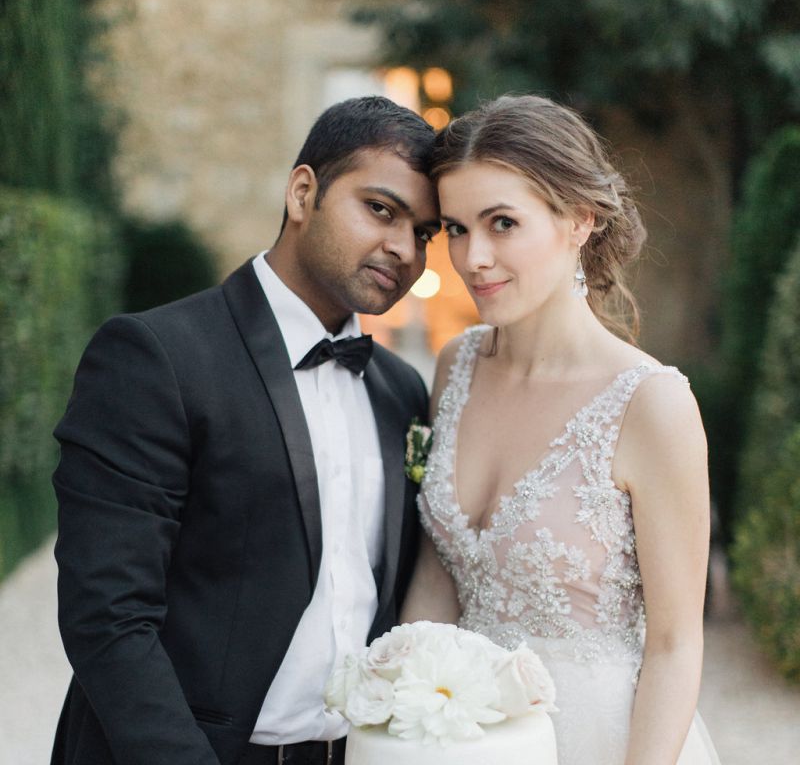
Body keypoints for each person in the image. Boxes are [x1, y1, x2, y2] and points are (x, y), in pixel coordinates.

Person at [51, 96, 440, 765]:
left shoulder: (400, 393)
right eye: (380, 209)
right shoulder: (155, 356)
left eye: (426, 233)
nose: (404, 249)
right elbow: (108, 616)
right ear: (301, 193)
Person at [402, 95, 721, 764]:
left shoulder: (651, 405)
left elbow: (674, 644)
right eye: (456, 228)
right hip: (465, 741)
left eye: (502, 223)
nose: (473, 257)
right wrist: (399, 717)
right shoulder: (455, 366)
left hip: (599, 742)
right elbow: (438, 577)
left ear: (579, 220)